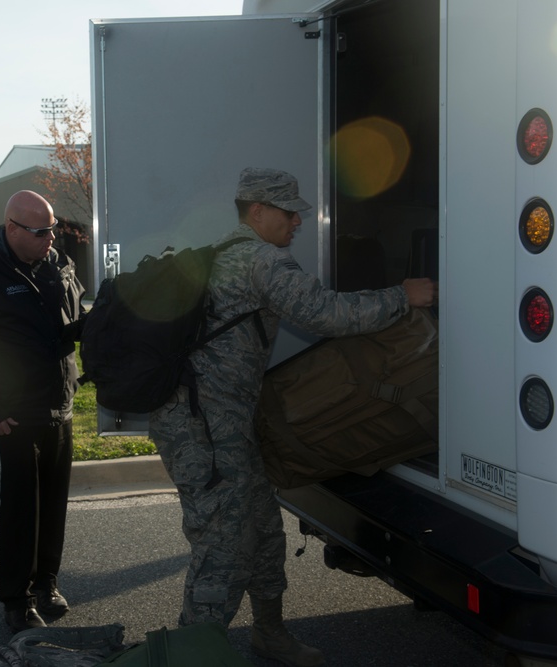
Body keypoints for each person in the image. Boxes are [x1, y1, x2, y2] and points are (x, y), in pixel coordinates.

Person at [149, 167, 437, 667]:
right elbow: (326, 313)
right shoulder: (259, 260)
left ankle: (271, 636)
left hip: (223, 426)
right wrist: (401, 297)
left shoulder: (224, 252)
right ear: (257, 212)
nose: (296, 221)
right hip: (204, 431)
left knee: (262, 529)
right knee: (224, 545)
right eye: (288, 212)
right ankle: (189, 657)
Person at [0, 190, 85, 634]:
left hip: (58, 406)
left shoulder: (59, 266)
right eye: (40, 231)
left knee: (52, 507)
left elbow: (68, 324)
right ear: (11, 228)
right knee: (18, 513)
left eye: (52, 229)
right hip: (13, 414)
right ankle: (17, 598)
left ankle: (47, 582)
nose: (50, 238)